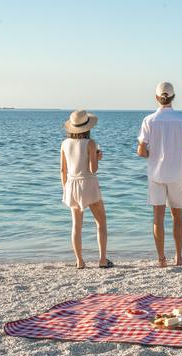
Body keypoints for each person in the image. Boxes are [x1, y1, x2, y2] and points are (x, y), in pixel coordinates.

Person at [137, 82, 182, 267]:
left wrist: (151, 154)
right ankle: (178, 257)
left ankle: (162, 259)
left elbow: (141, 150)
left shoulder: (149, 120)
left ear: (157, 98)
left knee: (158, 218)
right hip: (176, 172)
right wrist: (178, 155)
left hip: (155, 173)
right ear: (173, 97)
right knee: (177, 216)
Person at [60, 109, 112, 269]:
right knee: (101, 222)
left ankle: (79, 261)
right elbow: (93, 169)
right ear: (87, 127)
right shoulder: (90, 143)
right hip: (88, 184)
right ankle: (103, 260)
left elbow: (63, 170)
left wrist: (65, 188)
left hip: (72, 184)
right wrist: (97, 157)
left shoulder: (65, 144)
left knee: (76, 225)